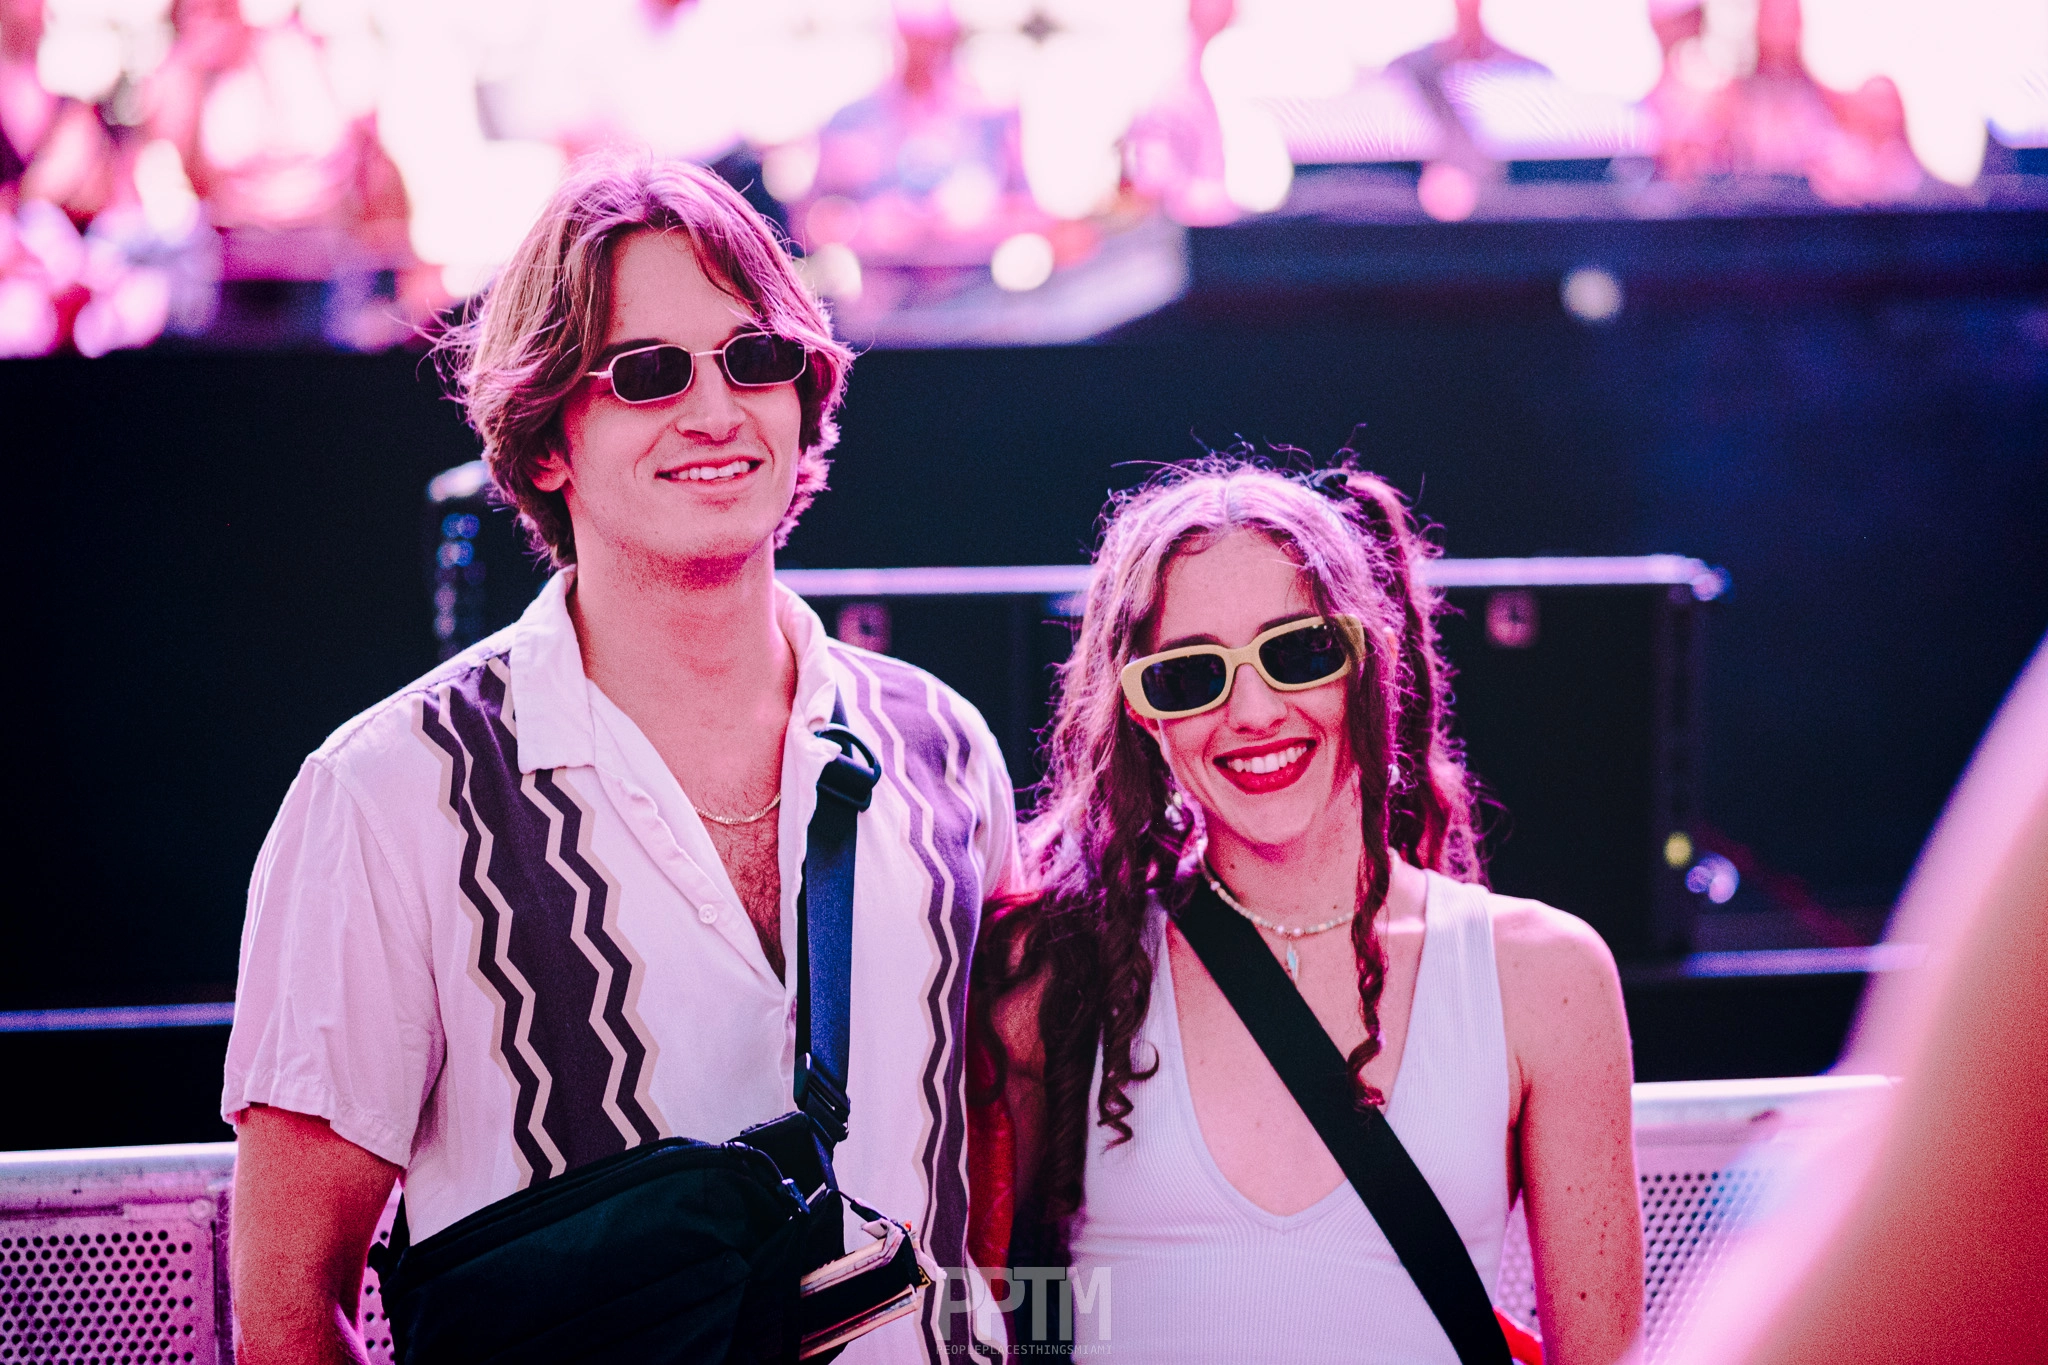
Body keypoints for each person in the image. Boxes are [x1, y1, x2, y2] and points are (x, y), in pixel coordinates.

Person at [222, 153, 1019, 1364]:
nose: (715, 412)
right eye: (647, 373)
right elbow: (288, 1304)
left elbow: (995, 1160)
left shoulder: (942, 748)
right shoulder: (384, 796)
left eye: (753, 357)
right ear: (546, 438)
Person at [973, 459, 1643, 1362]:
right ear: (1143, 714)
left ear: (1370, 659)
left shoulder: (1545, 978)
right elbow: (1008, 1298)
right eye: (1190, 676)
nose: (1253, 710)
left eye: (1298, 652)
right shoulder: (1057, 971)